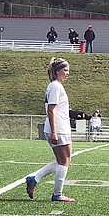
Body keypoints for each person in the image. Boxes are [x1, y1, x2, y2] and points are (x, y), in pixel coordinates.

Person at [25, 57, 74, 202]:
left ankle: (34, 178)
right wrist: (54, 131)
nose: (67, 73)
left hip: (61, 127)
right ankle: (57, 194)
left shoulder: (56, 85)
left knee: (64, 160)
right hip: (58, 128)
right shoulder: (55, 86)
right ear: (57, 71)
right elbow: (51, 110)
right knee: (64, 161)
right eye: (65, 70)